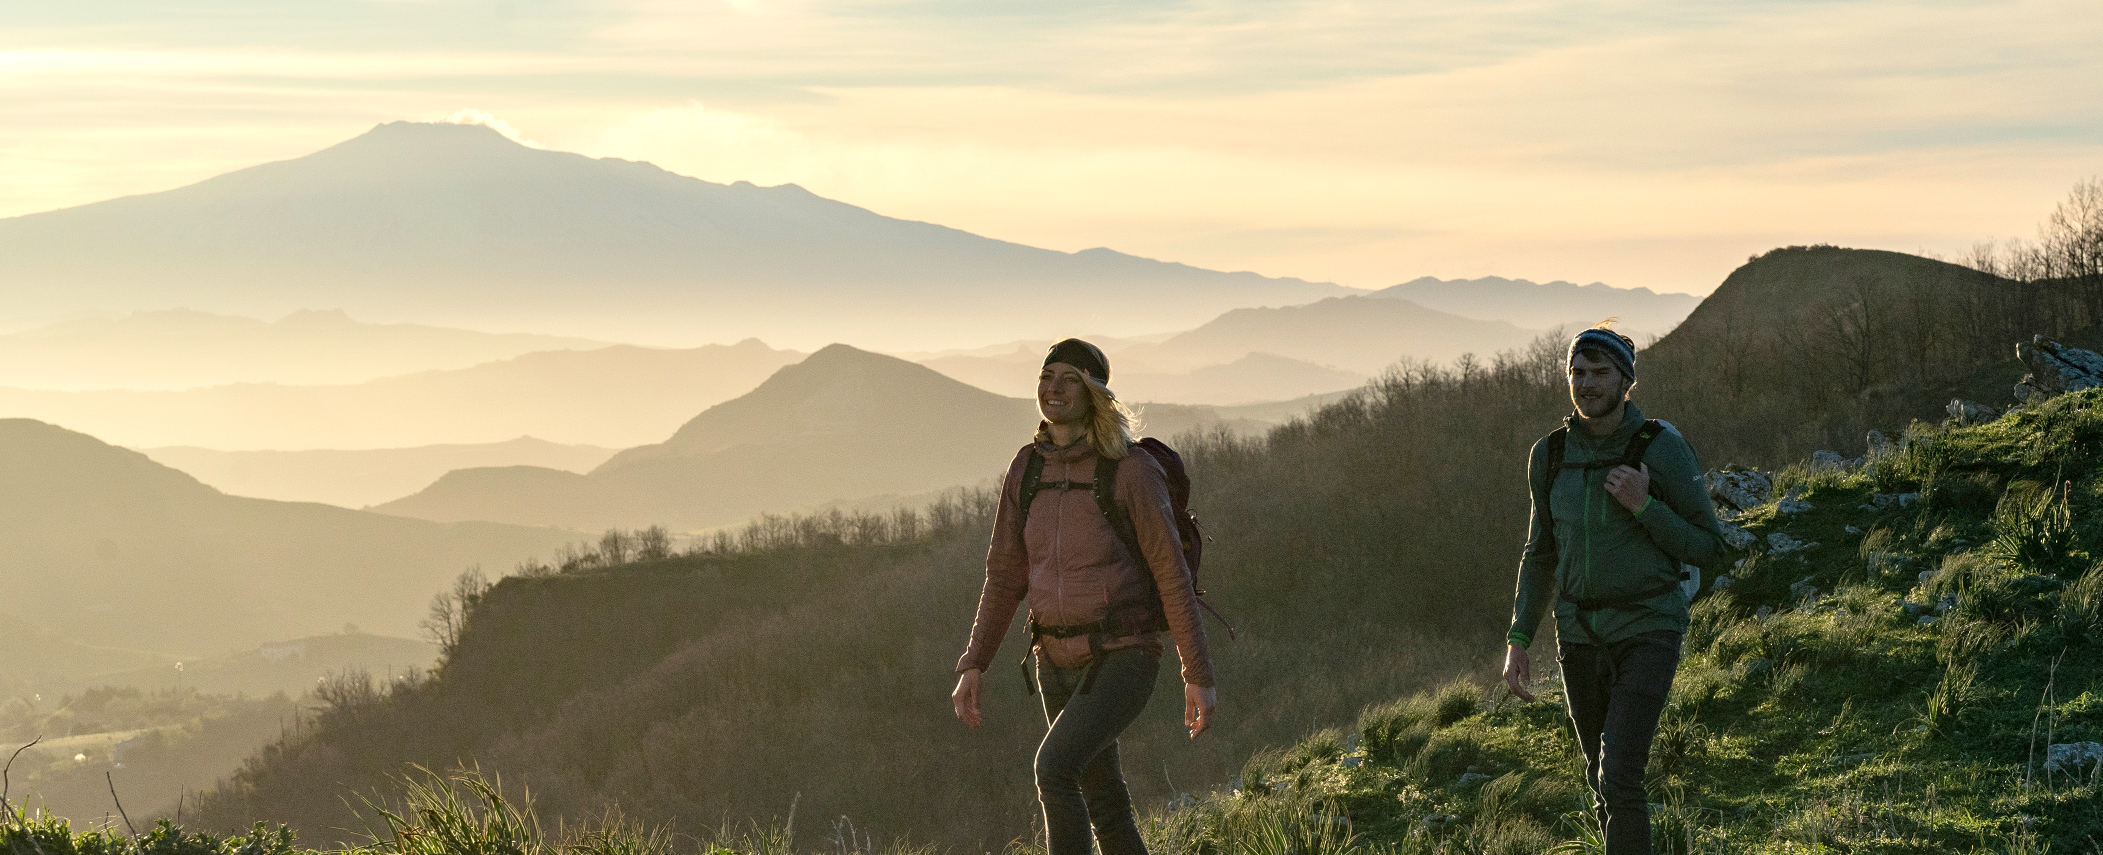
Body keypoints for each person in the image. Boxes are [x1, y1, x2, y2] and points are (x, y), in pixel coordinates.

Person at [951, 338, 1218, 855]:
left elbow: (1171, 577)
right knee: (1103, 798)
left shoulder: (1129, 471)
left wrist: (1198, 675)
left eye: (1068, 378)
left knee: (1052, 770)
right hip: (1052, 657)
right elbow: (1004, 574)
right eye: (1046, 376)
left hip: (1122, 656)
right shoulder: (1026, 469)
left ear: (1095, 393)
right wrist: (974, 661)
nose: (1052, 388)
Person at [1503, 324, 1725, 855]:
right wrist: (1518, 637)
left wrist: (1645, 506)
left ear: (1626, 380)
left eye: (1600, 372)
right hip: (1578, 633)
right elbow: (1540, 553)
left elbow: (1711, 549)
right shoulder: (1549, 455)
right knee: (1600, 779)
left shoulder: (1659, 447)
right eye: (1577, 373)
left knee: (1620, 773)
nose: (1586, 383)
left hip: (1649, 625)